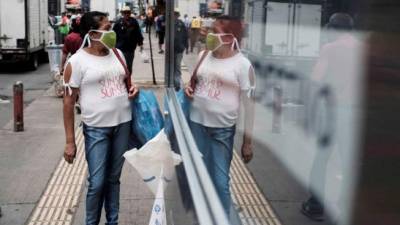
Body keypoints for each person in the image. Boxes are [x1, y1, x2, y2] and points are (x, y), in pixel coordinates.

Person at [62, 11, 138, 225]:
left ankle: (112, 222)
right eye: (106, 28)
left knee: (113, 179)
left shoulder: (119, 54)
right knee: (97, 182)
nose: (111, 32)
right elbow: (68, 103)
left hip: (123, 124)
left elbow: (127, 83)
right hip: (96, 128)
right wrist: (70, 141)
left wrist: (134, 89)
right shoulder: (76, 62)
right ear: (92, 34)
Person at [184, 15, 255, 216]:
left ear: (230, 37)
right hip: (196, 125)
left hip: (222, 130)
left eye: (215, 32)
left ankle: (222, 217)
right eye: (210, 30)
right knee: (199, 176)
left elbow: (250, 106)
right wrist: (190, 90)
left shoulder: (243, 65)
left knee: (220, 180)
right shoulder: (203, 56)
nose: (208, 35)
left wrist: (247, 142)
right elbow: (193, 83)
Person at [301, 13, 360, 223]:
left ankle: (315, 205)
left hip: (333, 112)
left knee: (321, 159)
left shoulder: (330, 49)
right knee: (349, 161)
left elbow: (315, 81)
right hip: (355, 112)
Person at [113, 6, 144, 73]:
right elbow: (113, 35)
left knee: (129, 66)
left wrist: (140, 43)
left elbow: (138, 33)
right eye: (125, 12)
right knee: (120, 66)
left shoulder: (134, 22)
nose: (127, 14)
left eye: (128, 12)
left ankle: (128, 81)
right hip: (120, 48)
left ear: (130, 13)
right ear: (122, 13)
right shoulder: (118, 23)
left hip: (130, 48)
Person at [174, 10, 189, 90]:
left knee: (177, 66)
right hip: (171, 50)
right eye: (174, 14)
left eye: (176, 14)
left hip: (179, 49)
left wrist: (186, 47)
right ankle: (173, 82)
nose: (175, 16)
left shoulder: (181, 24)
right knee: (172, 66)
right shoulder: (169, 23)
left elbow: (186, 36)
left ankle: (177, 84)